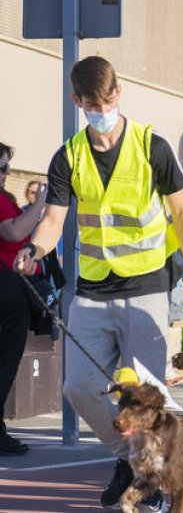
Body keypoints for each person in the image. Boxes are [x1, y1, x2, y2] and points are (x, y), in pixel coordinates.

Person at [14, 56, 183, 510]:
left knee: (146, 397)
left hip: (148, 288)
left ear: (119, 93)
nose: (101, 108)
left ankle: (157, 485)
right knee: (79, 387)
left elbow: (182, 212)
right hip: (95, 290)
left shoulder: (151, 146)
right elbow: (54, 220)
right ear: (76, 101)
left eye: (108, 99)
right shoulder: (69, 156)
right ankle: (131, 459)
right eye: (91, 103)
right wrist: (35, 250)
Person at [0, 143, 48, 455]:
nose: (5, 175)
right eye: (2, 168)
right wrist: (42, 203)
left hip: (10, 285)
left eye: (6, 169)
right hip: (6, 286)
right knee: (5, 361)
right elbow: (16, 232)